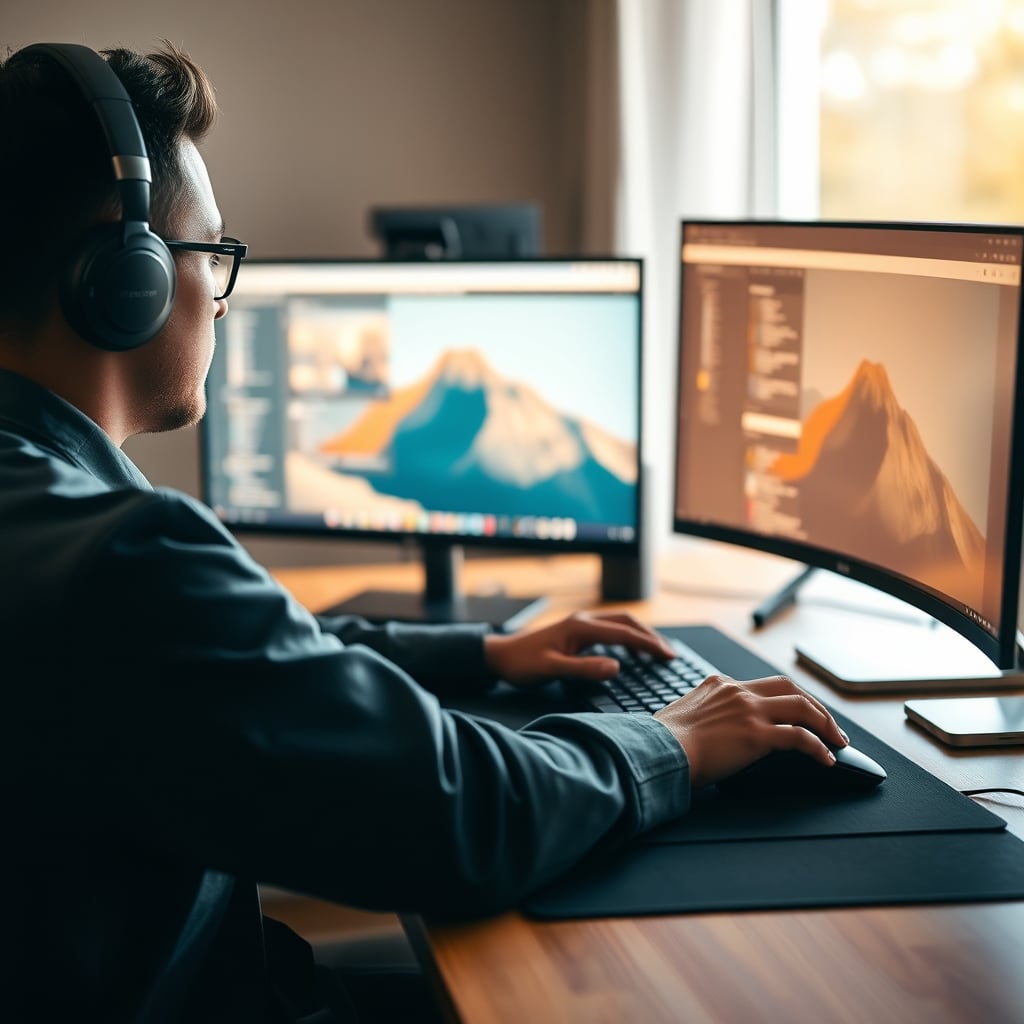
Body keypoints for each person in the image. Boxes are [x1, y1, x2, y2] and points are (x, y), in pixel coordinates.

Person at [0, 40, 849, 1024]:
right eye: (214, 253)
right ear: (126, 278)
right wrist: (672, 742)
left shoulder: (58, 526)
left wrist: (483, 650)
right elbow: (464, 817)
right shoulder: (128, 558)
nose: (221, 294)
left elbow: (231, 660)